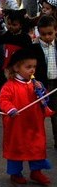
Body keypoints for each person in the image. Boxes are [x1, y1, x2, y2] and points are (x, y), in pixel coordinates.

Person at [0, 48, 51, 185]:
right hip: (17, 125)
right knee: (17, 148)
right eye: (28, 67)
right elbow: (3, 100)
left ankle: (36, 171)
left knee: (37, 146)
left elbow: (44, 99)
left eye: (34, 66)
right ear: (16, 67)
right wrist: (10, 108)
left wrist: (42, 91)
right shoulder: (10, 86)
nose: (32, 70)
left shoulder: (34, 83)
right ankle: (15, 173)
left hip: (34, 123)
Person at [31, 15, 57, 149]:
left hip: (56, 85)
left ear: (56, 30)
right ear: (38, 32)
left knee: (56, 116)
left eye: (50, 33)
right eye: (43, 34)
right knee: (38, 115)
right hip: (41, 87)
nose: (47, 37)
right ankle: (36, 142)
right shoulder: (34, 48)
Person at [0, 9, 32, 87]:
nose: (10, 27)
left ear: (21, 25)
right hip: (7, 66)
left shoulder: (25, 38)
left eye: (14, 25)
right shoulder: (8, 34)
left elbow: (29, 54)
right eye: (9, 24)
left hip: (19, 67)